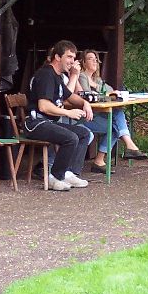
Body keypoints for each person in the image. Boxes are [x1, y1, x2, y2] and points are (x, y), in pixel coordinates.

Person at [24, 40, 92, 191]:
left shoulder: (58, 76)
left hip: (49, 123)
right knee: (70, 138)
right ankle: (55, 177)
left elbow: (69, 96)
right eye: (69, 57)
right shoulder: (46, 75)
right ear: (57, 57)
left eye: (74, 58)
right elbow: (44, 106)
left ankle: (68, 173)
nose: (72, 61)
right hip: (35, 123)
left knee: (83, 133)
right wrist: (68, 112)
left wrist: (84, 103)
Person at [75, 49, 148, 172]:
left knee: (116, 122)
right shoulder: (82, 76)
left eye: (96, 59)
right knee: (115, 125)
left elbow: (110, 90)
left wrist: (97, 87)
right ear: (83, 62)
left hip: (96, 116)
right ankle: (128, 146)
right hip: (85, 117)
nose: (95, 61)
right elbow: (88, 96)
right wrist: (103, 92)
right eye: (90, 59)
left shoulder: (96, 79)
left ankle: (101, 160)